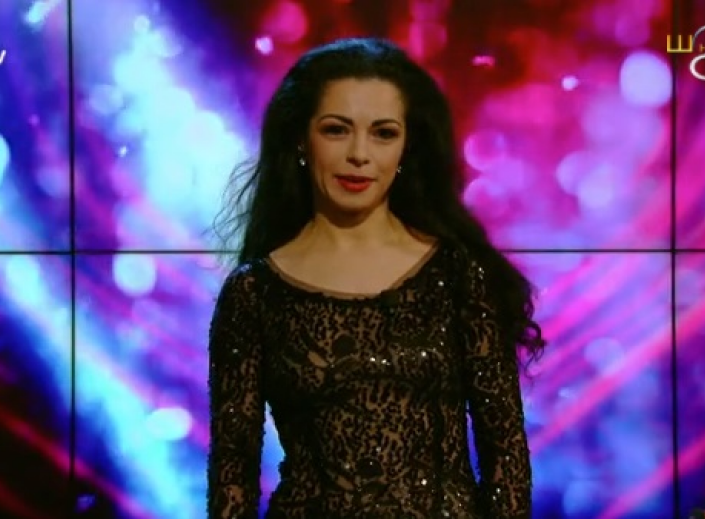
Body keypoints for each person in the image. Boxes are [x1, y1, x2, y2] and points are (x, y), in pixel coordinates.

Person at [208, 37, 546, 519]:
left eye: (383, 133)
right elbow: (232, 473)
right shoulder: (254, 293)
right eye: (336, 130)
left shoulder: (457, 273)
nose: (359, 154)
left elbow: (506, 453)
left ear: (407, 147)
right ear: (300, 139)